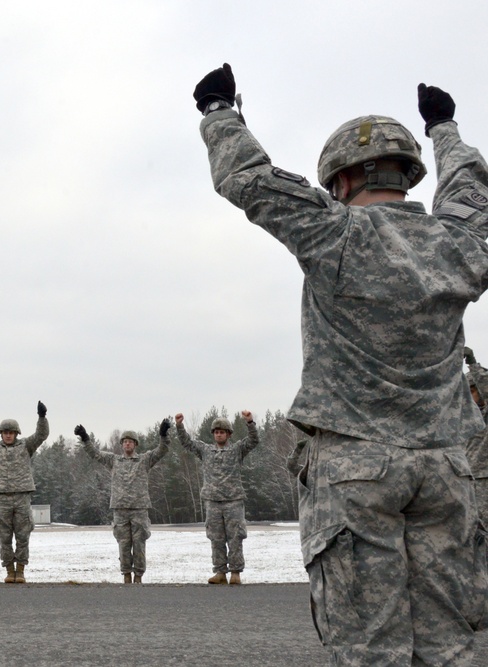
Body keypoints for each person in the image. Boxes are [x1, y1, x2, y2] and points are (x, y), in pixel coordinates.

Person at [194, 62, 488, 662]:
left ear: (341, 180)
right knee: (451, 647)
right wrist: (445, 128)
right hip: (446, 467)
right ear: (406, 176)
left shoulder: (334, 233)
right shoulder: (460, 244)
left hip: (356, 467)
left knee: (369, 648)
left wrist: (219, 113)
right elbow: (470, 193)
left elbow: (250, 179)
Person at [75, 420, 170, 584]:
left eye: (130, 442)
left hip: (139, 508)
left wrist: (163, 435)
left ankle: (138, 576)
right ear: (121, 445)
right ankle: (126, 574)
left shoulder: (144, 460)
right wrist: (85, 438)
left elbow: (161, 450)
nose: (127, 444)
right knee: (123, 543)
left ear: (135, 444)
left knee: (139, 543)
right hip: (120, 509)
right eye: (125, 442)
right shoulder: (114, 460)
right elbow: (95, 453)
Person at [0, 399, 49, 583]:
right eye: (5, 432)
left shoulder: (26, 446)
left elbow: (41, 435)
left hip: (22, 497)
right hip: (2, 498)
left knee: (23, 535)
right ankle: (9, 570)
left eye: (11, 432)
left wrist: (42, 417)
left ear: (16, 433)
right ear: (1, 434)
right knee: (3, 536)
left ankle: (20, 571)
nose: (8, 435)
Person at [174, 412, 257, 585]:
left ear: (228, 434)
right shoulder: (205, 450)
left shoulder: (236, 449)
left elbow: (253, 441)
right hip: (212, 501)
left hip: (233, 500)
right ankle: (220, 572)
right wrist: (180, 426)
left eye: (222, 432)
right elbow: (187, 443)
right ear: (213, 434)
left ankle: (235, 573)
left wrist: (250, 422)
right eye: (216, 432)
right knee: (216, 537)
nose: (219, 434)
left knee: (235, 537)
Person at [463, 347, 488, 521]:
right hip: (465, 478)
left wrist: (472, 363)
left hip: (483, 478)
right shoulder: (462, 416)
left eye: (472, 391)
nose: (469, 397)